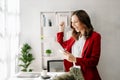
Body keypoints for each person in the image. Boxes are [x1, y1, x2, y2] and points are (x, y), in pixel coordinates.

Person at [57, 10, 101, 80]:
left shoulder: (95, 36)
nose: (73, 25)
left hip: (86, 74)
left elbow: (94, 61)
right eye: (72, 22)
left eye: (75, 22)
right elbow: (62, 43)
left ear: (84, 22)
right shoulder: (75, 37)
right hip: (74, 72)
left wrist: (75, 59)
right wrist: (61, 29)